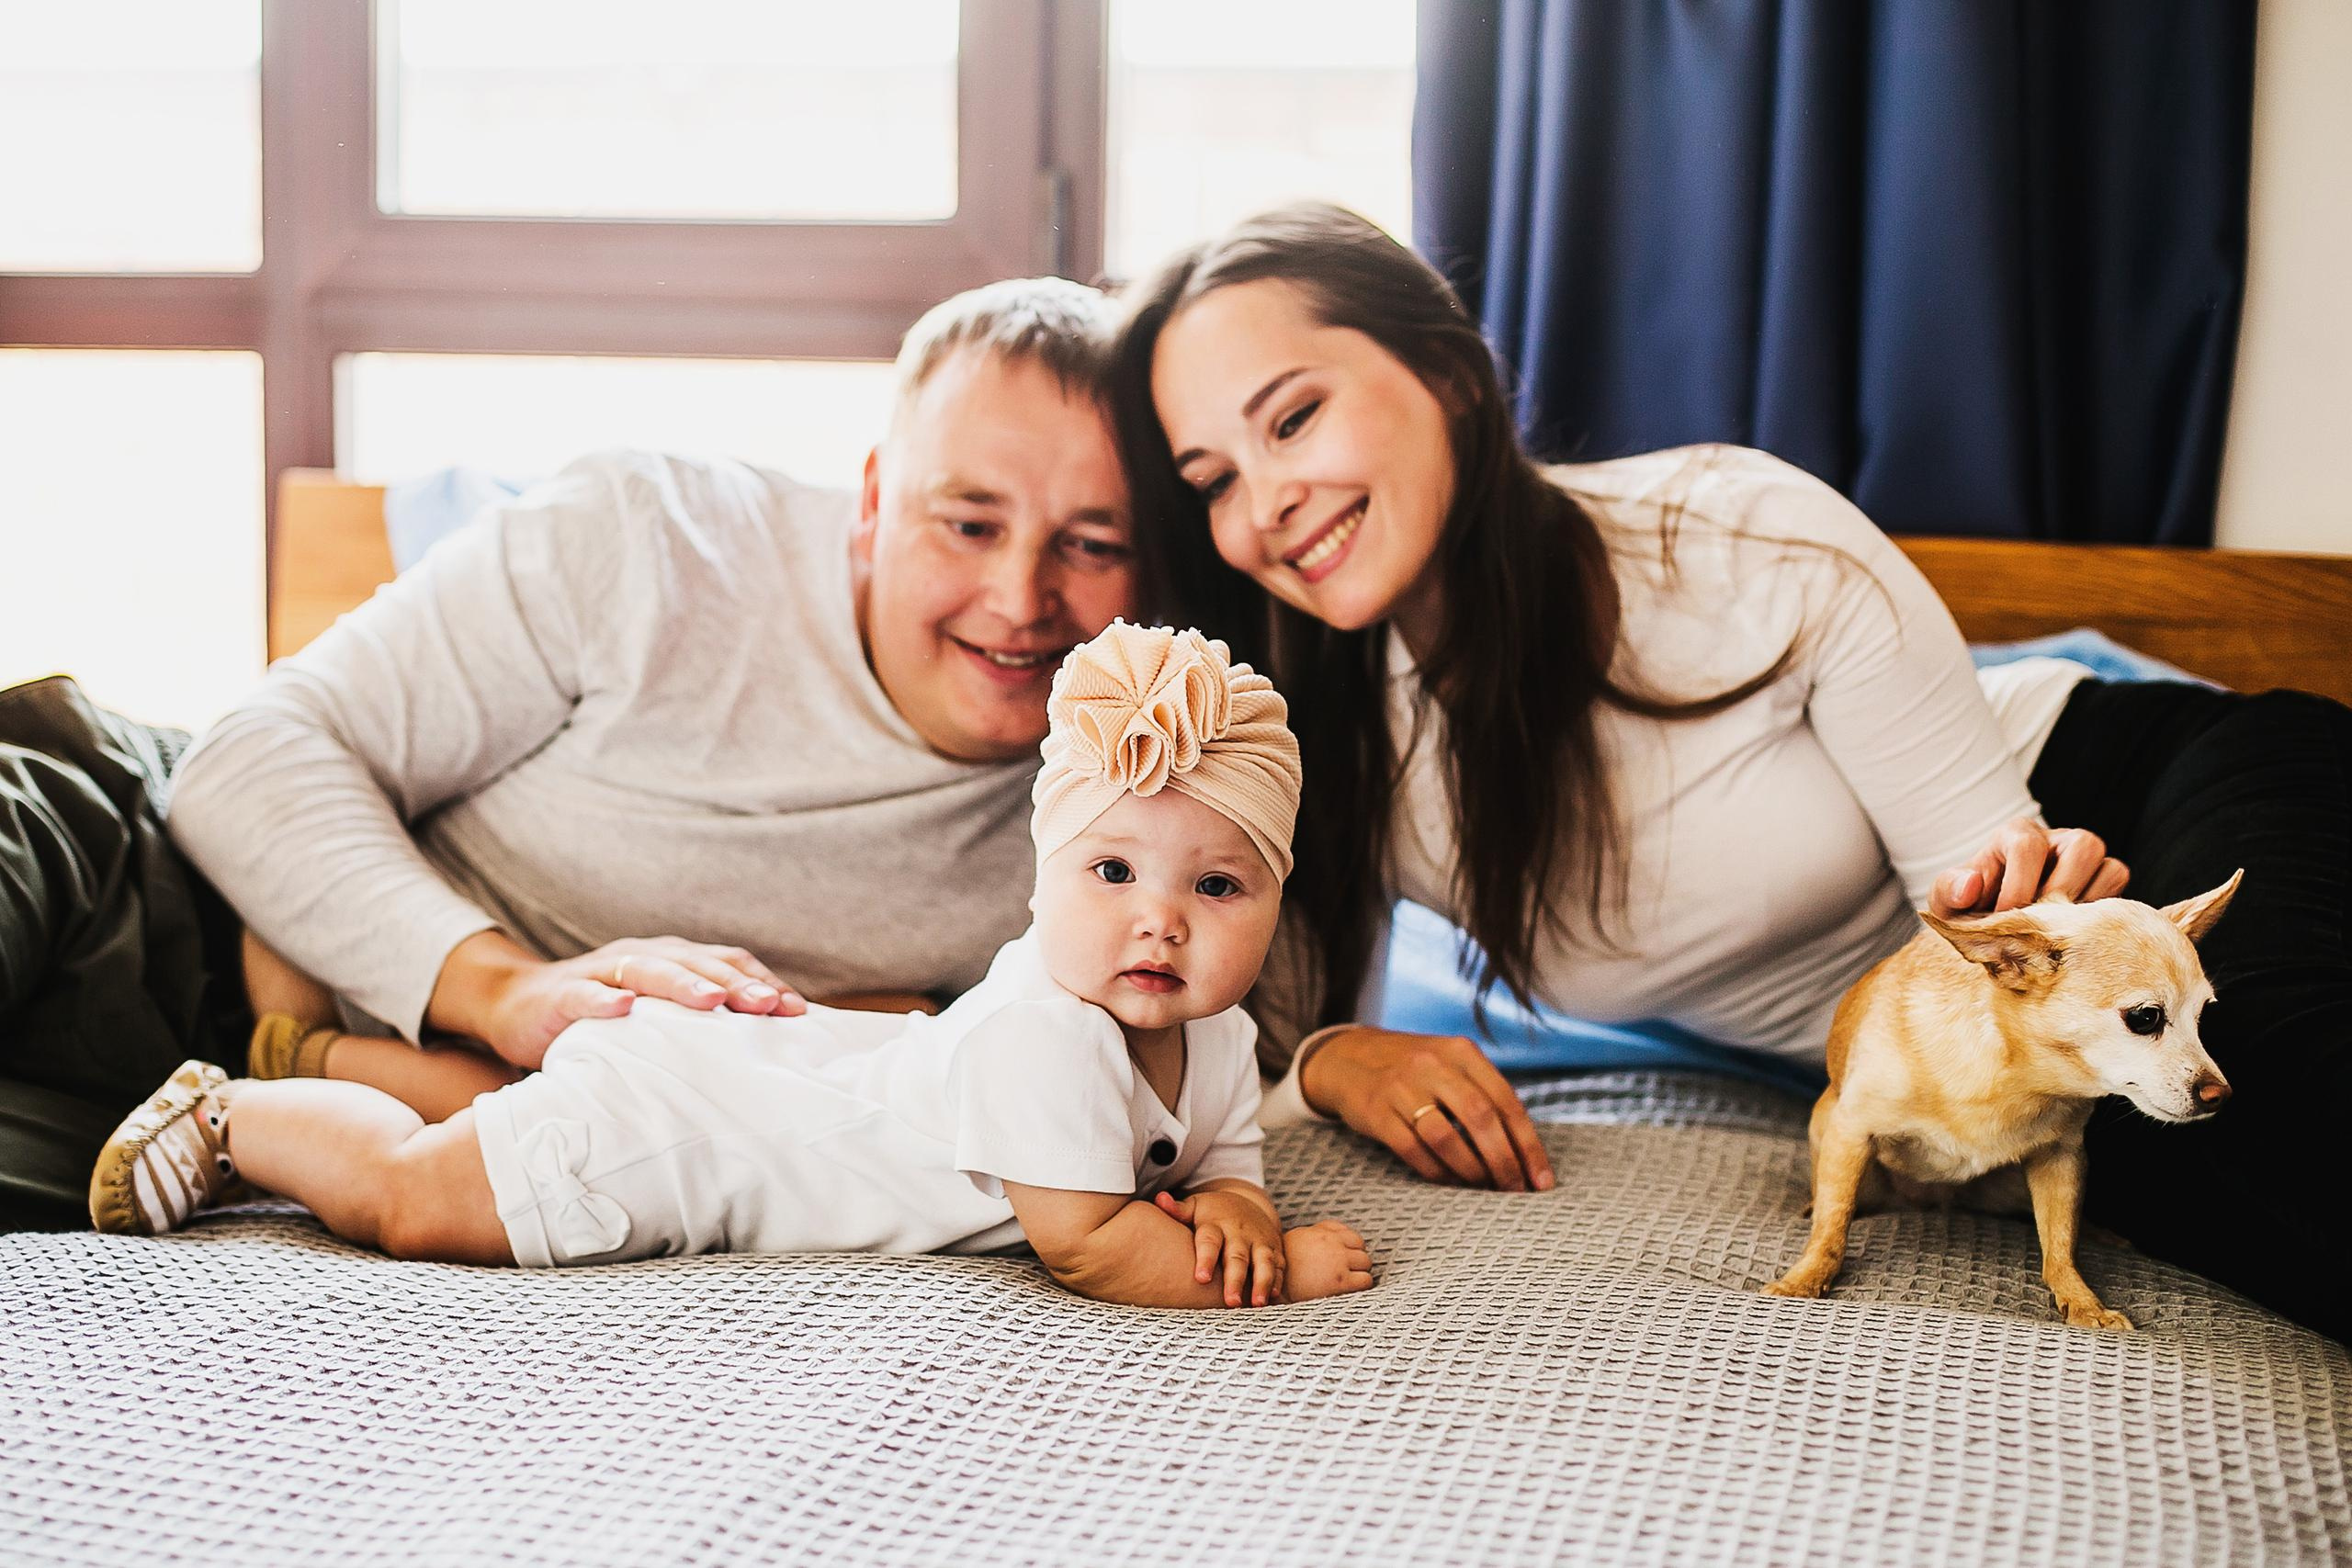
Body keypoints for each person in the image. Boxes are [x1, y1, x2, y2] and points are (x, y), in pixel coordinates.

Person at [1112, 202, 2351, 1340]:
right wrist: (1336, 1052)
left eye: (1292, 418)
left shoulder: (1740, 538)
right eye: (1213, 481)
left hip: (2145, 797)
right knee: (2176, 1161)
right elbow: (1220, 1063)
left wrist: (2045, 929)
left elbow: (1988, 937)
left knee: (2252, 1098)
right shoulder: (1316, 733)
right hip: (1972, 1005)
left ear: (1443, 371)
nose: (1263, 501)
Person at [91, 624, 1375, 1309]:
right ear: (1038, 878)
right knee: (411, 1198)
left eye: (1216, 884)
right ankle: (234, 1112)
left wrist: (1245, 1208)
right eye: (1113, 873)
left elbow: (1223, 1162)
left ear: (1273, 899)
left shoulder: (1219, 1037)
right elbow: (1092, 1242)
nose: (1160, 921)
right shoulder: (1053, 1028)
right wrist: (1278, 1271)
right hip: (689, 1137)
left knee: (490, 1114)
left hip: (754, 1078)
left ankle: (309, 1050)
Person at [161, 276, 1143, 1122]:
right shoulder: (647, 540)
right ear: (876, 502)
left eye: (1094, 546)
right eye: (968, 525)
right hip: (164, 898)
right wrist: (501, 987)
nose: (1021, 601)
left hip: (373, 1097)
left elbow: (1265, 1032)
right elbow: (245, 761)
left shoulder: (1146, 780)